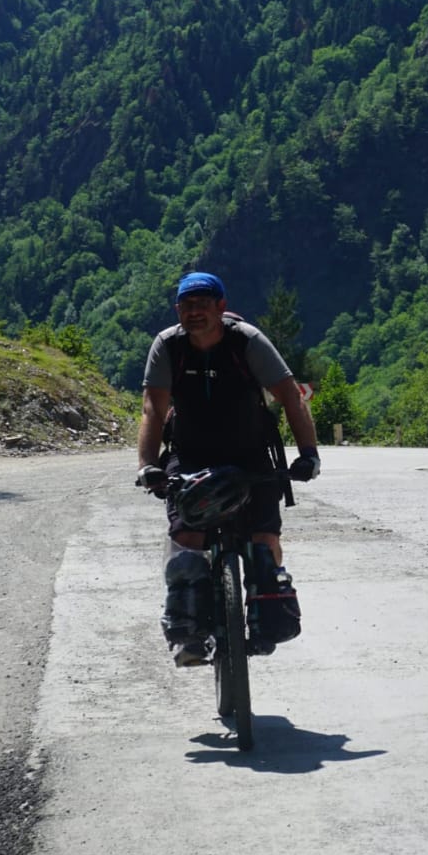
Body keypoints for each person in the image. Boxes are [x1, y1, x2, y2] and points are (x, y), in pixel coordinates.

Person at [136, 271, 321, 666]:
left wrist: (308, 453)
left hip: (250, 453)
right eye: (187, 306)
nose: (195, 312)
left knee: (264, 538)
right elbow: (153, 408)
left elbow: (289, 396)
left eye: (203, 304)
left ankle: (266, 615)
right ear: (177, 311)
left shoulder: (247, 342)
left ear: (221, 307)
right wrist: (148, 465)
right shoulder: (169, 346)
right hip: (190, 454)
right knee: (187, 535)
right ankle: (188, 632)